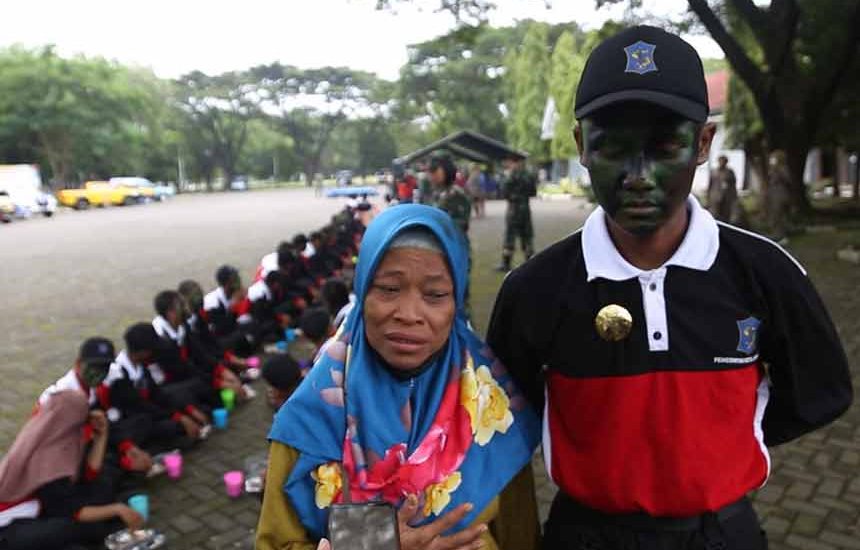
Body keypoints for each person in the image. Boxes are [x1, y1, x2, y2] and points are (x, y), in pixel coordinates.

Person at [487, 26, 852, 550]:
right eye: (613, 148)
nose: (638, 175)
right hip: (584, 535)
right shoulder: (535, 289)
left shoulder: (764, 272)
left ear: (703, 143)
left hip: (721, 535)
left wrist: (723, 435)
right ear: (580, 147)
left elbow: (822, 390)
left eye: (664, 147)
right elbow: (502, 413)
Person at [257, 205, 541, 550]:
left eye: (435, 294)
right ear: (362, 294)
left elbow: (522, 539)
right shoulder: (309, 422)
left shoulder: (495, 416)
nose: (408, 315)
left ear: (457, 302)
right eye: (389, 289)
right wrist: (374, 544)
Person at [0, 391, 144, 550]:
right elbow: (72, 511)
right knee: (77, 530)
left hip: (46, 505)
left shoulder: (57, 435)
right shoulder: (47, 458)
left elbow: (89, 474)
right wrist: (117, 510)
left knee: (103, 484)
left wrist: (101, 435)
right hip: (8, 526)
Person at [38, 337, 116, 409]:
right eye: (94, 367)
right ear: (78, 363)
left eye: (105, 367)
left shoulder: (93, 385)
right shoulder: (59, 396)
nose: (100, 373)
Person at [496, 156, 536, 272]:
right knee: (527, 236)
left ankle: (506, 263)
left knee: (509, 237)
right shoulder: (528, 176)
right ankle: (531, 263)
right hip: (525, 209)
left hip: (513, 209)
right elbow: (533, 192)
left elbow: (503, 192)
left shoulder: (510, 176)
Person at [766, 150, 792, 244]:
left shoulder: (783, 169)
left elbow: (787, 180)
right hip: (773, 195)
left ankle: (783, 236)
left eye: (774, 158)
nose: (771, 160)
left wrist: (778, 171)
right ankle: (776, 234)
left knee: (780, 216)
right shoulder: (772, 169)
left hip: (781, 195)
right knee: (774, 216)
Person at [707, 154, 738, 223]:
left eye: (724, 161)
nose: (722, 163)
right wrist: (708, 197)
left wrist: (734, 197)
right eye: (720, 161)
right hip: (715, 197)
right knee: (714, 215)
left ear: (726, 162)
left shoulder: (730, 172)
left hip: (726, 198)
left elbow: (733, 185)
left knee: (725, 216)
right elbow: (710, 184)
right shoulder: (714, 172)